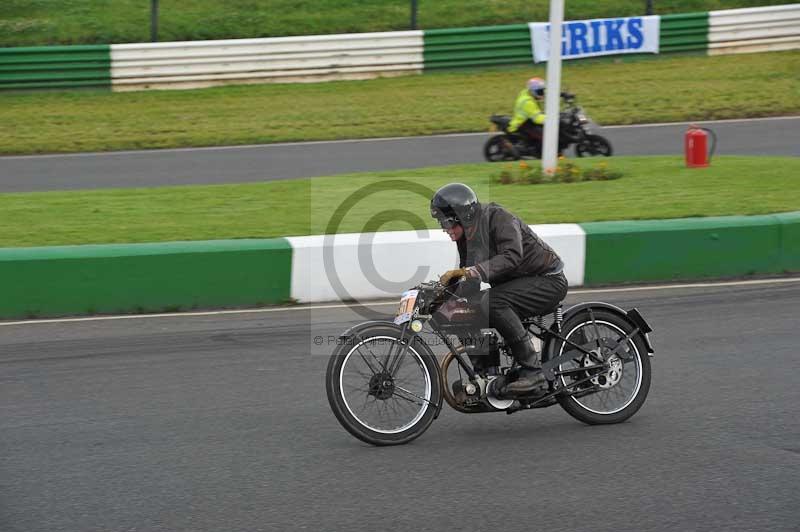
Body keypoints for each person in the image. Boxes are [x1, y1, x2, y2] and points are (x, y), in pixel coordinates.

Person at [430, 183, 568, 396]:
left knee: (492, 302)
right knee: (456, 311)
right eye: (441, 222)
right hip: (515, 286)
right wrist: (441, 297)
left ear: (465, 217)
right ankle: (485, 375)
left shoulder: (499, 218)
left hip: (547, 281)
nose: (445, 228)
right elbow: (470, 284)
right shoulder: (465, 236)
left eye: (448, 222)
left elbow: (512, 256)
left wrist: (469, 272)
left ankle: (533, 372)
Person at [507, 77, 547, 145]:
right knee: (545, 137)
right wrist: (553, 118)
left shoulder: (528, 93)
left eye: (543, 91)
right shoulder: (527, 102)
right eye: (540, 92)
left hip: (528, 121)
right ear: (533, 91)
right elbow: (537, 118)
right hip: (521, 125)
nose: (543, 93)